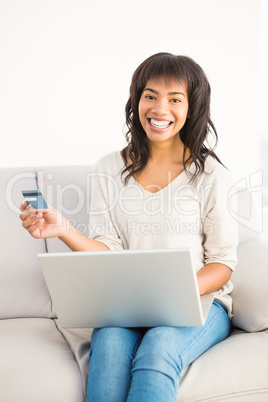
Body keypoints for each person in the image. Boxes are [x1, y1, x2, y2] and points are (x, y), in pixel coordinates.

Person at [20, 52, 238, 402]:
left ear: (192, 105)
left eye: (174, 99)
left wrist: (171, 293)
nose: (160, 108)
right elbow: (108, 248)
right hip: (128, 304)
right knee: (106, 349)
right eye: (150, 95)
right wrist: (62, 229)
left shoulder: (211, 174)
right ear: (136, 99)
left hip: (199, 301)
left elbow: (223, 263)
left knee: (159, 348)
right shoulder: (107, 168)